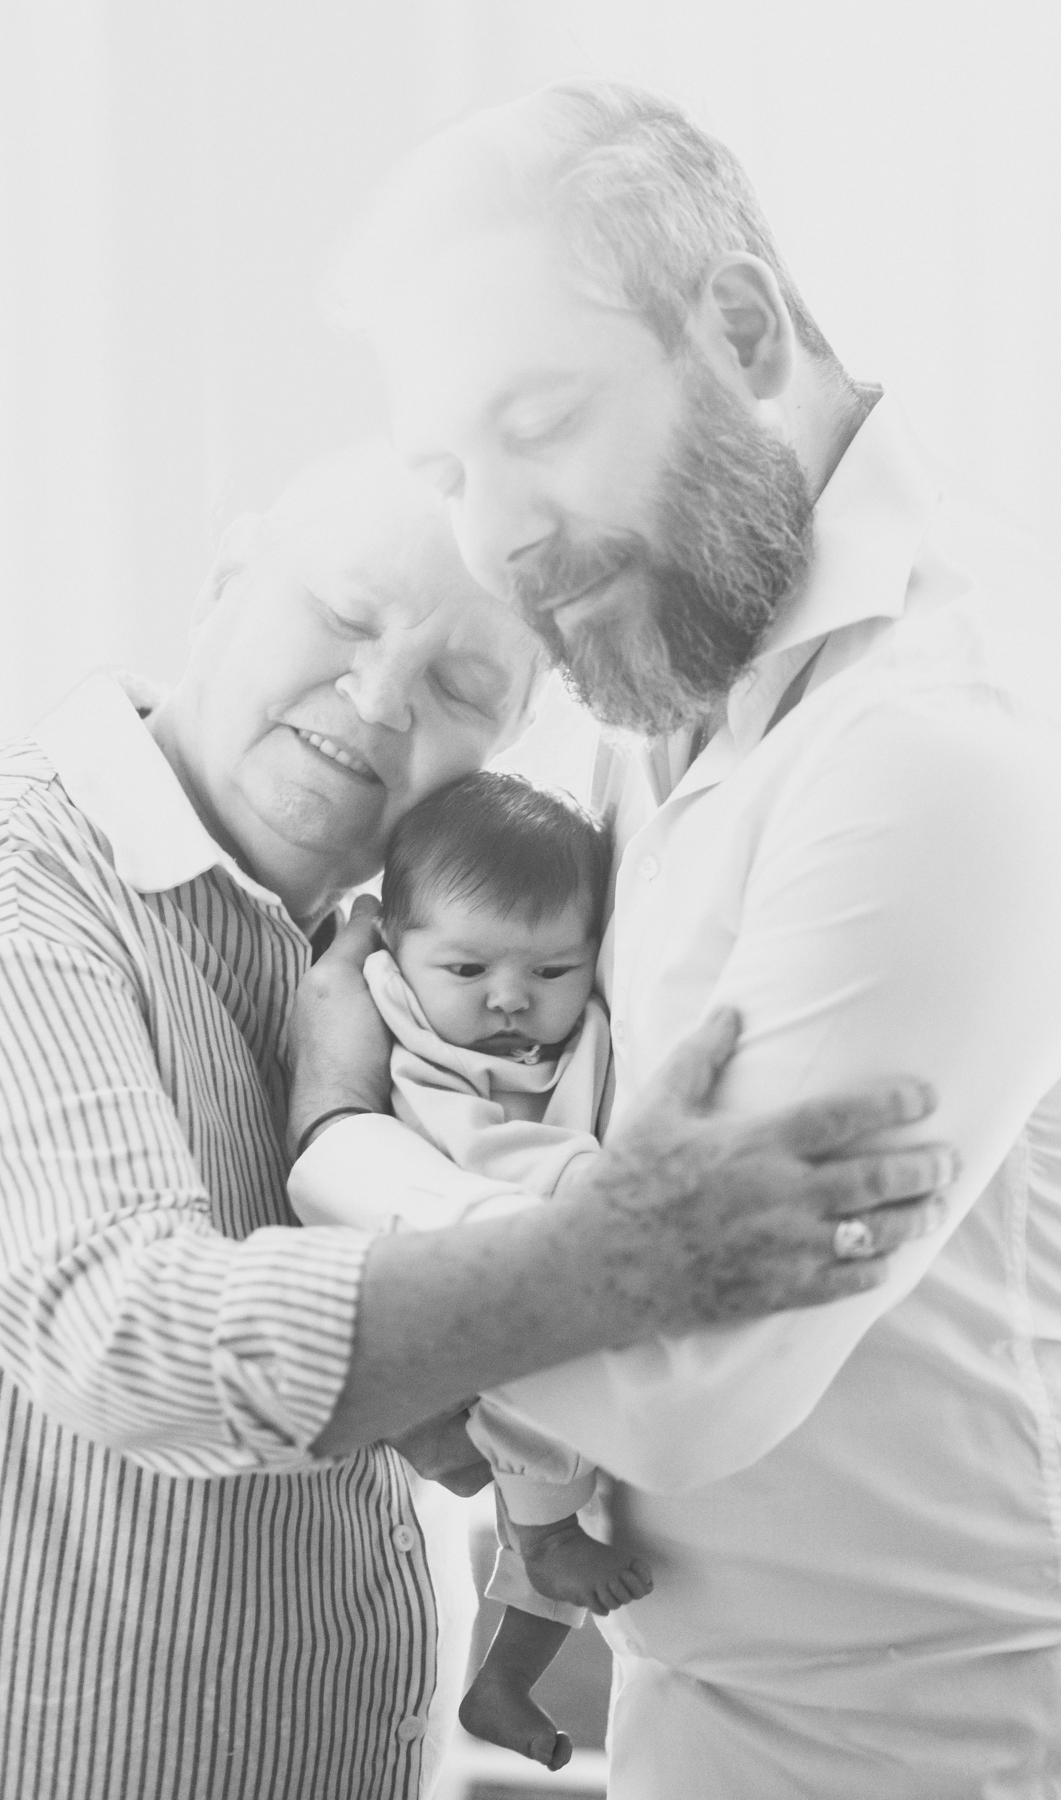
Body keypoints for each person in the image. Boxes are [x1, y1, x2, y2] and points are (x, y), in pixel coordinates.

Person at [0, 443, 948, 1800]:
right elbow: (131, 1344)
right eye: (343, 614)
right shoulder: (0, 876)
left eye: (461, 686)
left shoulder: (384, 975)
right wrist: (612, 1259)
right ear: (226, 576)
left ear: (500, 746)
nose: (379, 699)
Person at [287, 82, 1061, 1796]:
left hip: (932, 1755)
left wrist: (336, 1142)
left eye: (541, 418)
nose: (498, 531)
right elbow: (593, 1204)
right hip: (686, 1716)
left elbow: (681, 1380)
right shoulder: (654, 698)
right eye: (450, 470)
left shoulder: (939, 740)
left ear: (741, 327)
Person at [299, 769, 650, 1772]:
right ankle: (541, 1547)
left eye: (552, 969)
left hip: (527, 1290)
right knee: (548, 1446)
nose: (509, 997)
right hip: (452, 1284)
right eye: (466, 968)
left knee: (581, 1480)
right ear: (395, 951)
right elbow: (488, 1159)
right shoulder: (412, 1031)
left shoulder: (567, 1031)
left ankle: (504, 1683)